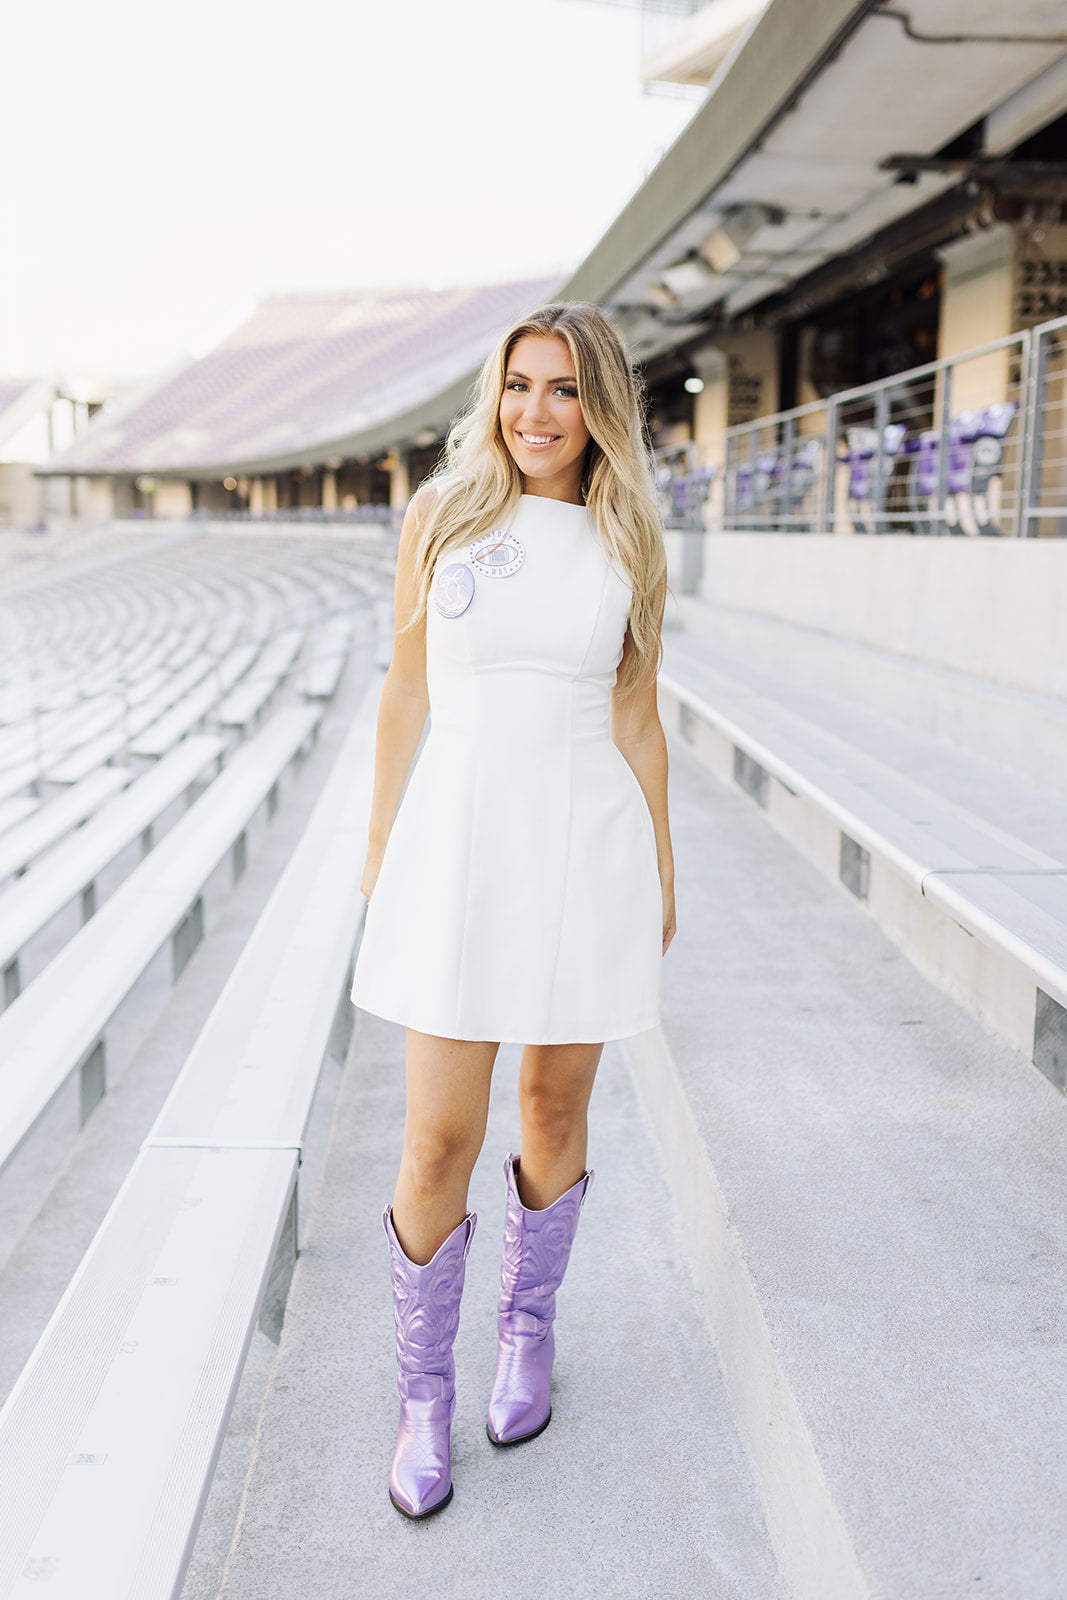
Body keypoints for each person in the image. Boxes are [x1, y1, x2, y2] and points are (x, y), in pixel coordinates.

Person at [350, 300, 676, 1521]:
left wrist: (661, 861)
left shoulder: (629, 534)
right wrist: (383, 847)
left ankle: (525, 1335)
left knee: (551, 1102)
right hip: (458, 846)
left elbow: (637, 716)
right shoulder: (439, 517)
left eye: (564, 390)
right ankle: (421, 1398)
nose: (536, 413)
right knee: (435, 1136)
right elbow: (400, 694)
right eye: (519, 386)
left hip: (585, 845)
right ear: (494, 394)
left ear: (601, 407)